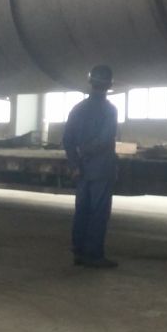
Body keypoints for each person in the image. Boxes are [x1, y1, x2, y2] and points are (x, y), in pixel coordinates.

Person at [62, 65, 120, 268]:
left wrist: (75, 162)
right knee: (98, 213)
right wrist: (85, 153)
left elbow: (67, 139)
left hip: (82, 170)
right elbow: (105, 139)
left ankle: (78, 251)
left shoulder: (78, 108)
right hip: (101, 169)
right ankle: (94, 254)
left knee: (82, 210)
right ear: (110, 85)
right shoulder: (109, 110)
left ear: (90, 82)